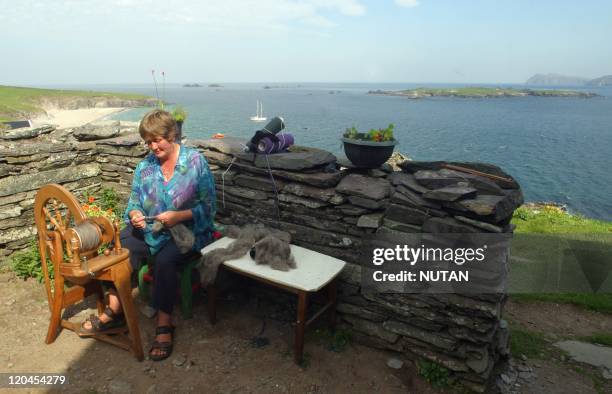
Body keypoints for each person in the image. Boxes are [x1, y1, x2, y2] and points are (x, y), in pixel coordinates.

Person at [78, 109, 216, 361]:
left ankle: (165, 323)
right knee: (115, 251)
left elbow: (209, 209)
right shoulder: (145, 167)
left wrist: (178, 216)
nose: (152, 147)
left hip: (189, 231)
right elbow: (133, 204)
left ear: (172, 134)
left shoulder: (195, 162)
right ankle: (115, 309)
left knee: (165, 260)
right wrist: (134, 215)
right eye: (148, 142)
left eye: (157, 140)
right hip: (151, 230)